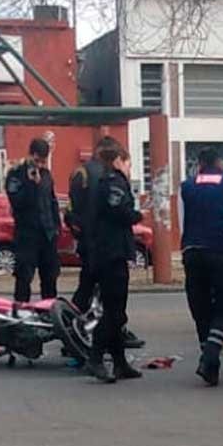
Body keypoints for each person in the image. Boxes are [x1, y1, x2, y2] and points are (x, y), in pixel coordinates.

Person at [65, 136, 145, 349]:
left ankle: (71, 331)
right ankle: (91, 340)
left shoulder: (81, 172)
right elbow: (116, 211)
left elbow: (72, 210)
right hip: (106, 246)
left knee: (88, 291)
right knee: (110, 300)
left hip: (89, 242)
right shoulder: (107, 178)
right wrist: (135, 215)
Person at [180, 147, 223, 387]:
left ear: (199, 164)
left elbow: (182, 221)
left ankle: (210, 363)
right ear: (220, 163)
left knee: (200, 307)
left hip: (192, 252)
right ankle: (210, 354)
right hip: (219, 252)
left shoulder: (186, 187)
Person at [83, 147, 145, 383]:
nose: (130, 169)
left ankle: (119, 362)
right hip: (112, 253)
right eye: (129, 163)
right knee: (114, 311)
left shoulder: (99, 180)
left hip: (103, 252)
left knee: (116, 310)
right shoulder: (114, 181)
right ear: (119, 161)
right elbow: (118, 210)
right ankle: (96, 357)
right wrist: (137, 216)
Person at [4, 136, 60, 304]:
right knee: (24, 277)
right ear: (31, 155)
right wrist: (31, 184)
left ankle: (49, 314)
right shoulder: (16, 175)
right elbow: (17, 202)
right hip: (27, 235)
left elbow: (52, 201)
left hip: (47, 235)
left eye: (44, 161)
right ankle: (21, 314)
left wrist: (56, 226)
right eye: (38, 160)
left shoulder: (46, 175)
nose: (40, 165)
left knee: (50, 277)